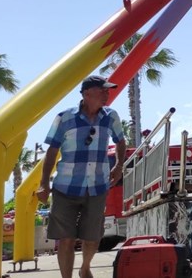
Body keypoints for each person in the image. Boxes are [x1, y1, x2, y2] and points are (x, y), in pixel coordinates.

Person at [37, 75, 126, 278]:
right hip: (65, 187)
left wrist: (119, 166)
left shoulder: (111, 116)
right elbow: (52, 151)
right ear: (87, 94)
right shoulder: (64, 118)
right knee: (66, 238)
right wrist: (44, 183)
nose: (107, 93)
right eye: (102, 90)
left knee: (92, 237)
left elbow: (121, 141)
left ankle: (85, 268)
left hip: (97, 186)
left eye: (108, 90)